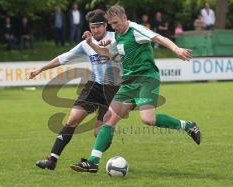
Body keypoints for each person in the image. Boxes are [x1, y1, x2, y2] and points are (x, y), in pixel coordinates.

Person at [70, 5, 201, 173]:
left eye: (116, 23)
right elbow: (109, 54)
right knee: (108, 119)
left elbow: (159, 38)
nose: (114, 27)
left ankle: (187, 125)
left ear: (124, 18)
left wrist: (176, 49)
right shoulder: (118, 35)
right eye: (111, 24)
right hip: (129, 81)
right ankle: (93, 162)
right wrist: (91, 44)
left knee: (148, 119)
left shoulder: (136, 29)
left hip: (146, 78)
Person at [28, 9, 121, 170]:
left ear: (106, 25)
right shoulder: (86, 44)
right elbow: (64, 57)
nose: (95, 30)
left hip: (114, 90)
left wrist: (101, 44)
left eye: (98, 26)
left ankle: (95, 157)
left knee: (99, 133)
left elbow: (112, 51)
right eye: (92, 27)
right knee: (72, 119)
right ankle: (52, 159)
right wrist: (41, 69)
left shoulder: (116, 38)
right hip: (95, 86)